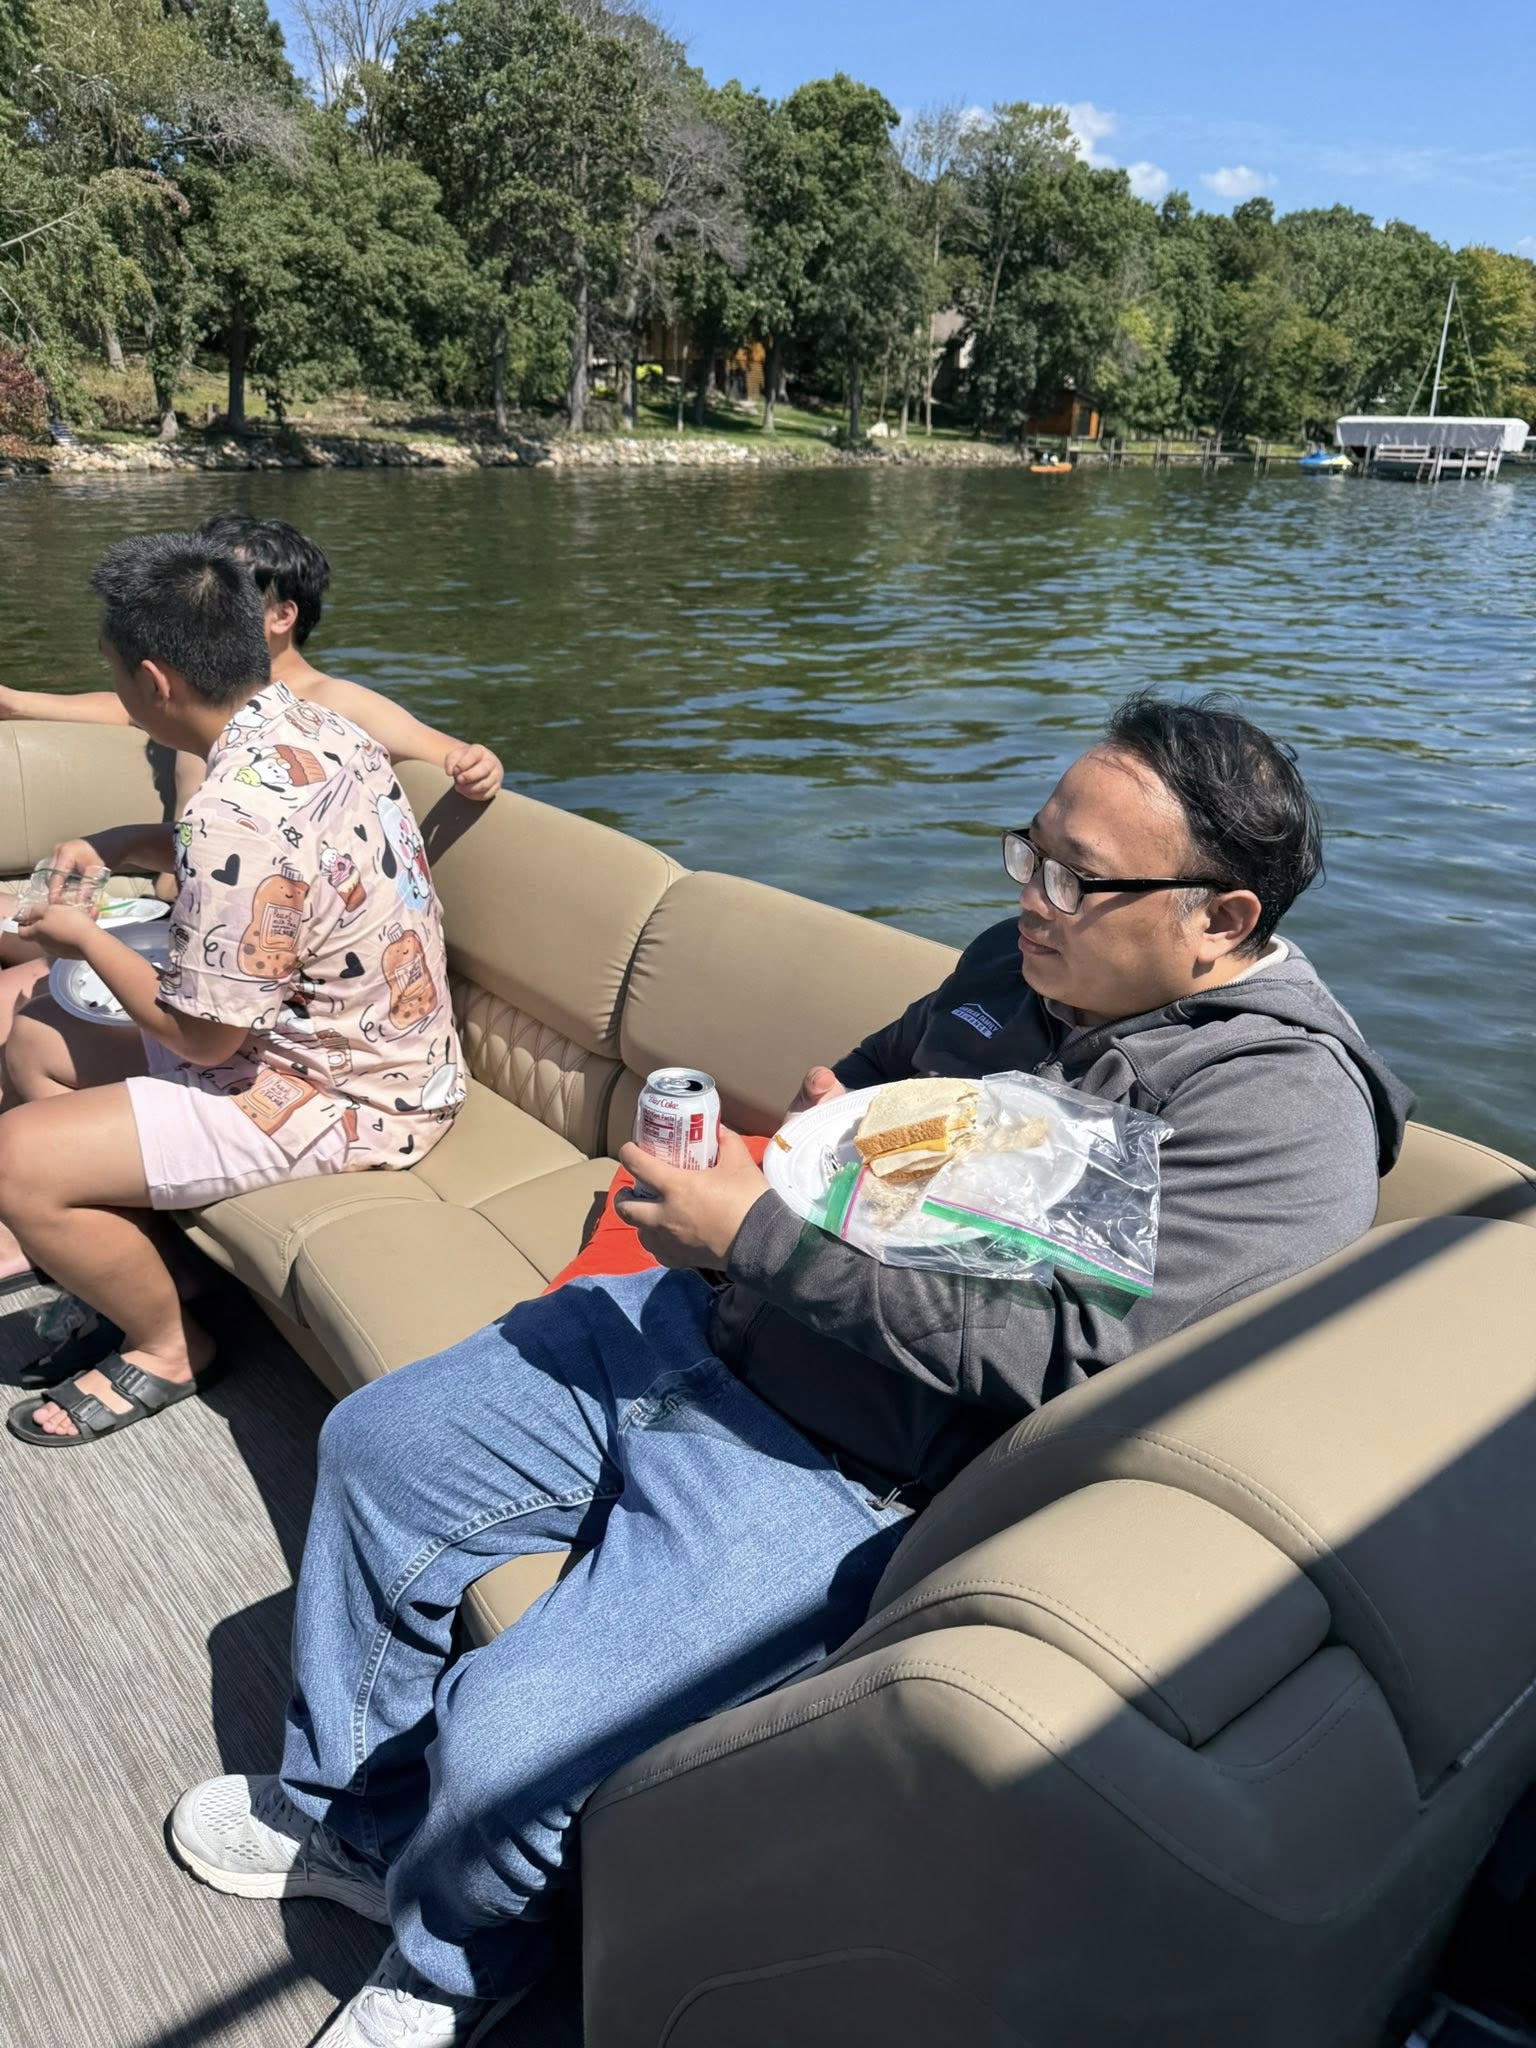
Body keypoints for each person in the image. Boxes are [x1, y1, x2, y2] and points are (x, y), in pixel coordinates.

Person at [168, 693, 1411, 2046]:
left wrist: (759, 1235)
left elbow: (1070, 1362)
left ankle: (458, 1969)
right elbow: (886, 1078)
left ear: (1219, 919)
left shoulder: (1277, 1116)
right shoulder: (1028, 963)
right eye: (1027, 852)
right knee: (384, 1446)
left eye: (1075, 877)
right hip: (711, 1328)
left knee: (515, 1755)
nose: (1032, 897)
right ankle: (349, 1818)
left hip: (855, 1475)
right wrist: (826, 1134)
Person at [0, 532, 464, 1445]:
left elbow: (204, 1041)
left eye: (117, 676)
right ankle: (148, 1258)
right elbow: (276, 877)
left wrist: (81, 933)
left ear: (153, 682)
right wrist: (136, 838)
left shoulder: (229, 813)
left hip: (345, 1092)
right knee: (35, 1039)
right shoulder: (311, 723)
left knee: (13, 1158)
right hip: (363, 1042)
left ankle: (170, 1344)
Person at [0, 514, 502, 993]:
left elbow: (453, 756)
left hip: (246, 945)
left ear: (282, 615)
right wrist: (16, 702)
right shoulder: (194, 703)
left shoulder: (333, 707)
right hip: (179, 913)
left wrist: (477, 764)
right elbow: (123, 706)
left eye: (229, 592)